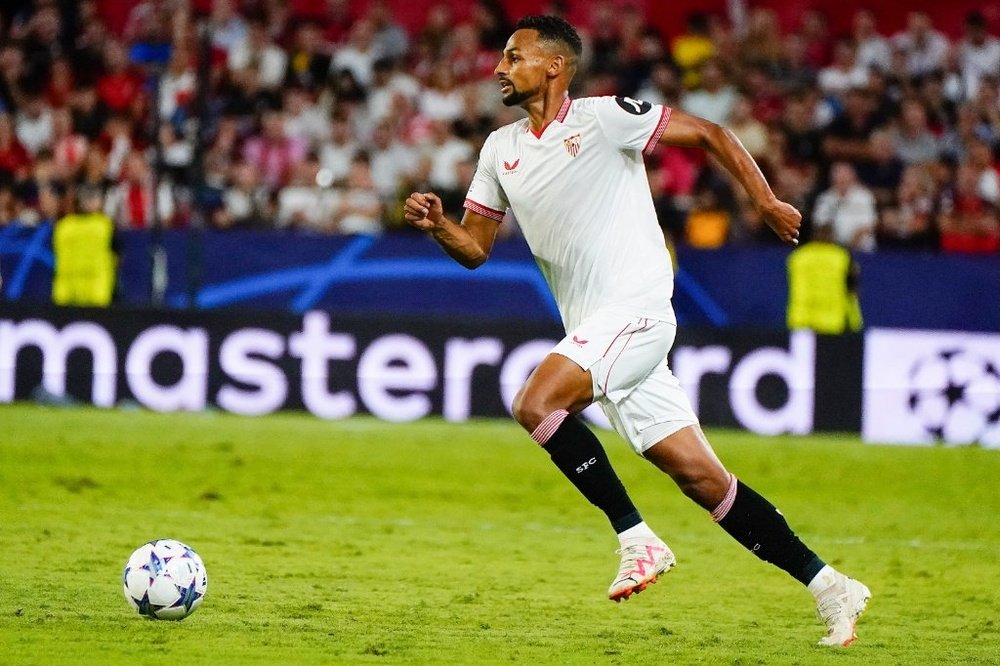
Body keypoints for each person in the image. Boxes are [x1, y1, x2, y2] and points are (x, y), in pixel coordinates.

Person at [403, 15, 870, 647]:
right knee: (705, 482)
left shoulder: (604, 119)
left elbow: (707, 132)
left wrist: (762, 199)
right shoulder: (499, 149)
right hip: (600, 330)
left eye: (514, 57)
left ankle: (636, 538)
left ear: (554, 67)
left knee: (535, 402)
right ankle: (830, 586)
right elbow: (477, 247)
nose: (498, 68)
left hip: (638, 309)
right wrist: (438, 226)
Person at [787, 223, 863, 334]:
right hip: (833, 322)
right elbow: (851, 291)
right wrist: (855, 320)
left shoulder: (798, 257)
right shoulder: (842, 257)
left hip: (802, 320)